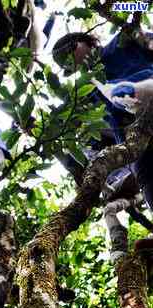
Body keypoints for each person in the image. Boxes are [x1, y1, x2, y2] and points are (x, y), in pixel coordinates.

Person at [52, 28, 153, 248]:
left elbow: (139, 7)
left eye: (70, 51)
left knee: (121, 93)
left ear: (86, 41)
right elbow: (63, 124)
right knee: (147, 176)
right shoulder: (87, 92)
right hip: (135, 140)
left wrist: (125, 9)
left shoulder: (120, 41)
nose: (71, 61)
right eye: (65, 64)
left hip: (147, 92)